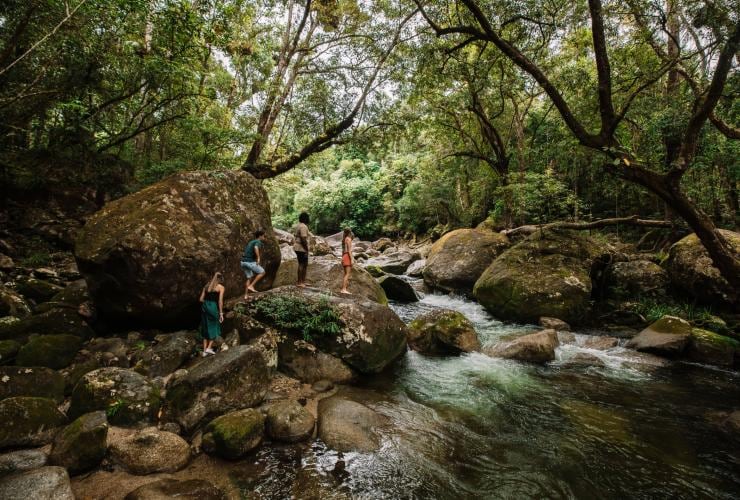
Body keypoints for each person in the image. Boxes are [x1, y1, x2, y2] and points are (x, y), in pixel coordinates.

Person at [199, 271, 224, 357]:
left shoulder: (206, 286)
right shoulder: (220, 287)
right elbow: (220, 301)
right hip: (213, 306)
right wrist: (221, 313)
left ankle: (204, 351)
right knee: (215, 326)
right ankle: (209, 348)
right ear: (220, 280)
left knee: (205, 327)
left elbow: (201, 299)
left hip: (204, 306)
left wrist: (207, 303)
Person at [241, 230, 267, 298]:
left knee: (249, 278)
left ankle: (246, 295)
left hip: (243, 262)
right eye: (264, 236)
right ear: (260, 236)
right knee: (262, 272)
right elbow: (256, 247)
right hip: (249, 262)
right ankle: (251, 286)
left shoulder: (251, 241)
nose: (265, 237)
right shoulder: (258, 241)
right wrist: (258, 258)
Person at [293, 212, 310, 287]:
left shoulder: (298, 225)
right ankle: (300, 282)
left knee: (304, 264)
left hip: (298, 247)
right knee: (302, 264)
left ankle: (303, 281)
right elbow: (303, 239)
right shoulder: (303, 226)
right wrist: (306, 249)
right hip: (301, 248)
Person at [340, 227, 354, 294]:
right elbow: (349, 251)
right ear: (350, 232)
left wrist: (342, 258)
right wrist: (352, 259)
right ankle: (344, 289)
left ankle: (344, 289)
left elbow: (344, 251)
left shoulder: (344, 239)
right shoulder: (349, 239)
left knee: (345, 274)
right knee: (347, 274)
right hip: (347, 257)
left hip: (344, 256)